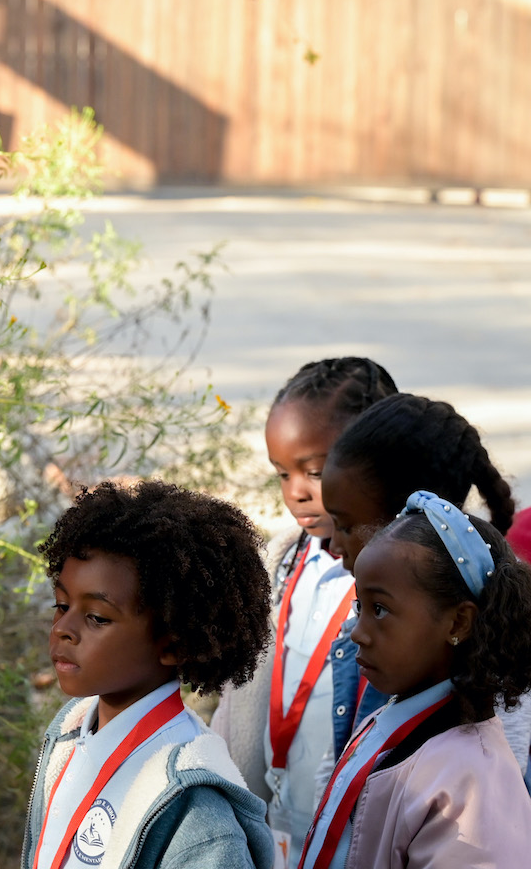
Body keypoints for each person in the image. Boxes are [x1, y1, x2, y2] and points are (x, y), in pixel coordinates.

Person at [22, 480, 274, 869]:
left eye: (97, 617)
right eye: (61, 604)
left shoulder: (198, 810)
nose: (62, 628)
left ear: (173, 644)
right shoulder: (66, 738)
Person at [210, 357, 397, 867]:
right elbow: (239, 707)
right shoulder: (279, 565)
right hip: (272, 839)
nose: (296, 491)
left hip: (358, 846)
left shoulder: (408, 580)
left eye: (314, 471)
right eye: (282, 473)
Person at [296, 491, 531, 869]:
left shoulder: (472, 784)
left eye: (380, 609)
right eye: (360, 606)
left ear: (458, 623)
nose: (358, 631)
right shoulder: (396, 717)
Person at [319, 391, 531, 773]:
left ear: (410, 523)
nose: (333, 544)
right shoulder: (376, 629)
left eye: (347, 525)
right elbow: (343, 758)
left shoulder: (493, 690)